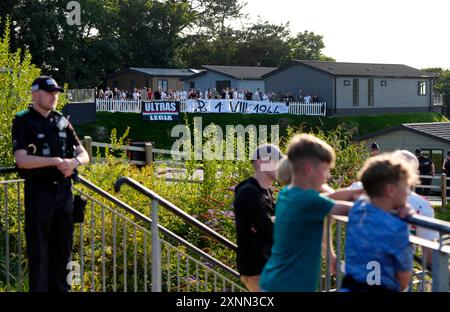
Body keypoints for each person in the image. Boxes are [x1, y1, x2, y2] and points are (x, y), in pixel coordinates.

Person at [11, 76, 90, 292]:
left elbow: (83, 154)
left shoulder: (61, 120)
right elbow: (22, 160)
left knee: (63, 251)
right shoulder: (23, 120)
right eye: (49, 92)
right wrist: (55, 161)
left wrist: (73, 162)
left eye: (56, 93)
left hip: (64, 194)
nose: (54, 96)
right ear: (35, 94)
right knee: (39, 252)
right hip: (39, 194)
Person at [259, 134, 361, 292]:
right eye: (326, 170)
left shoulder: (288, 193)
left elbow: (327, 197)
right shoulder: (308, 201)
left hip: (275, 280)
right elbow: (349, 209)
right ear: (308, 169)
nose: (328, 176)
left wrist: (357, 191)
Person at [342, 153, 416, 292]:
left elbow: (361, 198)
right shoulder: (397, 227)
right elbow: (404, 279)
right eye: (406, 187)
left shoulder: (357, 210)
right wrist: (406, 207)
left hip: (350, 286)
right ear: (391, 190)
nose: (408, 193)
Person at [233, 144, 283, 292]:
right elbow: (269, 229)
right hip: (257, 270)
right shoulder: (249, 192)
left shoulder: (265, 190)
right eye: (278, 161)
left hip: (268, 266)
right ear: (262, 161)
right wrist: (272, 222)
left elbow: (270, 225)